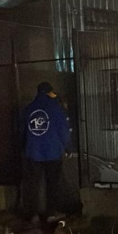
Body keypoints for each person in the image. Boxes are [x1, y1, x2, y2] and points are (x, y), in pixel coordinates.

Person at [20, 81, 70, 224]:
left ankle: (33, 214)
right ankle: (50, 213)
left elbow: (22, 131)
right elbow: (64, 131)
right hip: (53, 152)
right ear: (49, 92)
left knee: (33, 184)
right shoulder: (56, 109)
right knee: (52, 184)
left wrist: (24, 147)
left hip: (33, 153)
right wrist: (67, 147)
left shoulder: (29, 109)